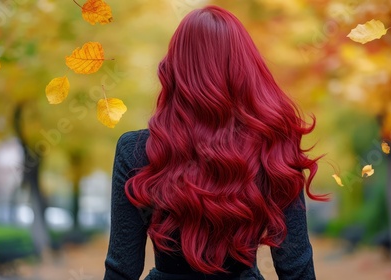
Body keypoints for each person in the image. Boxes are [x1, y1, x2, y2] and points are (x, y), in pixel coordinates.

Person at [104, 5, 325, 280]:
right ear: (244, 69)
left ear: (174, 69)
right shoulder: (271, 148)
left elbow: (121, 269)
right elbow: (296, 268)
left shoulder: (137, 151)